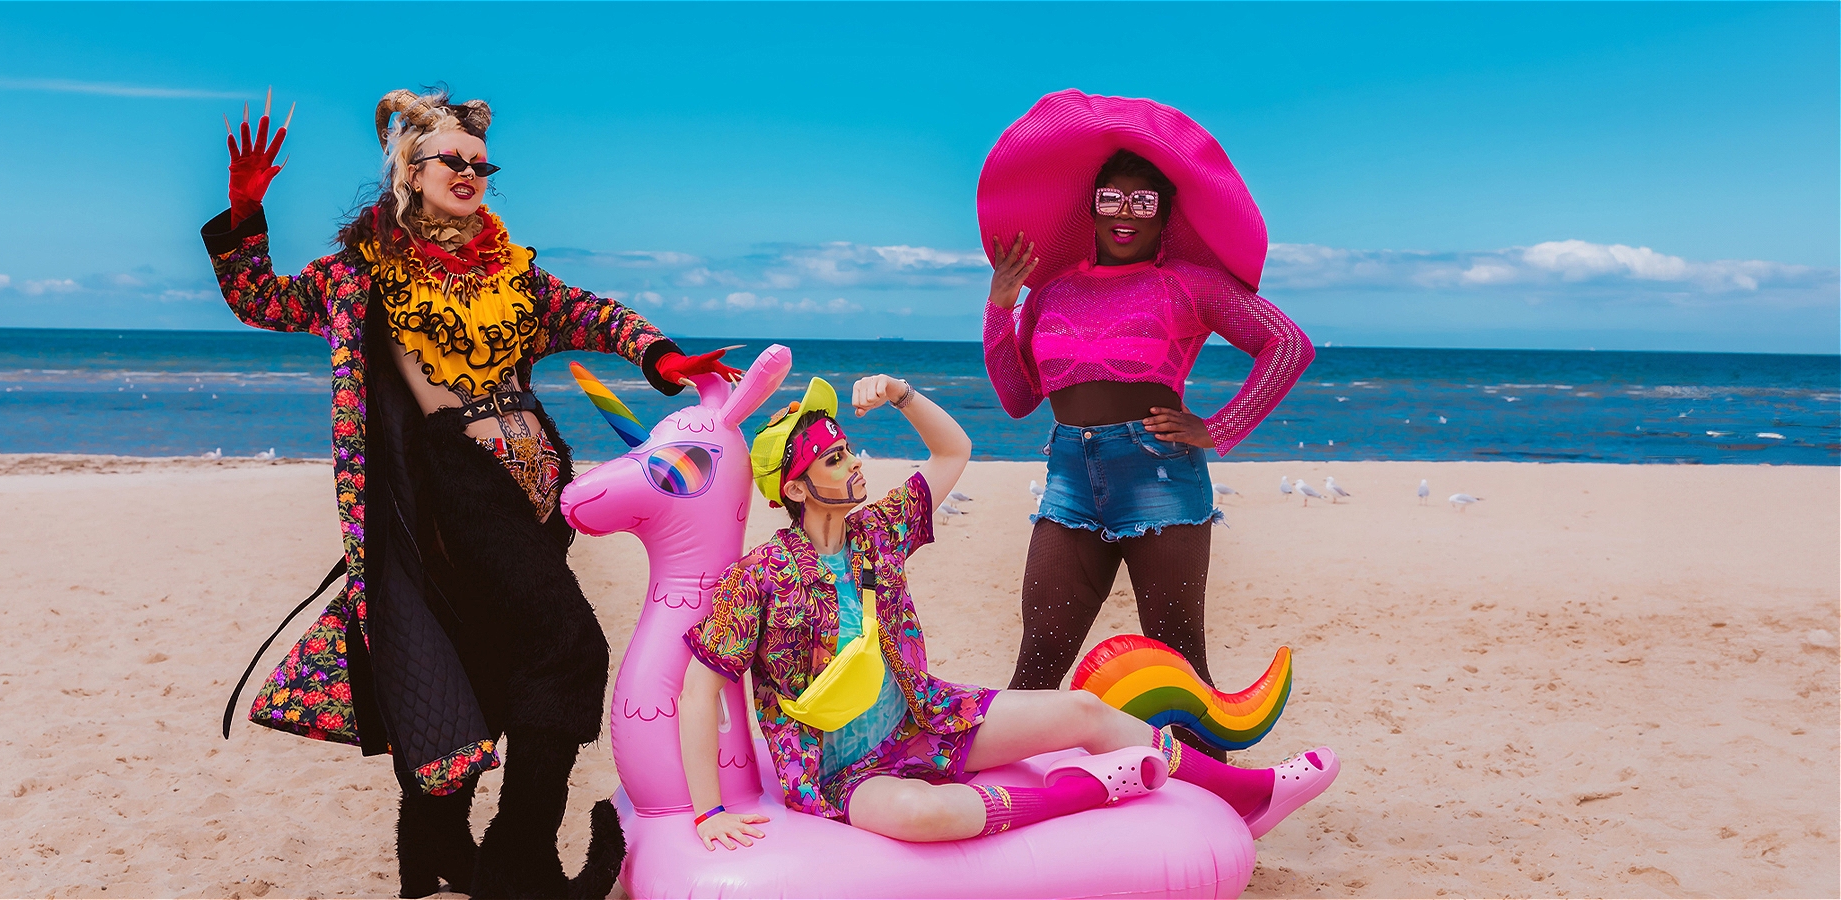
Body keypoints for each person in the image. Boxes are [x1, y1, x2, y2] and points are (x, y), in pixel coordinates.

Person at [201, 88, 740, 898]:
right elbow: (261, 301)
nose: (472, 172)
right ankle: (518, 855)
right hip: (450, 485)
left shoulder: (511, 273)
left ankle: (434, 842)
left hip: (532, 490)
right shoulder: (362, 272)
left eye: (482, 164)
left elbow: (592, 314)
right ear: (409, 171)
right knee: (571, 648)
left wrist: (665, 360)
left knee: (486, 662)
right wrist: (244, 215)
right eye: (453, 159)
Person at [675, 374, 1335, 849]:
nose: (855, 463)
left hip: (928, 722)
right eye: (835, 457)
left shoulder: (879, 530)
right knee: (923, 818)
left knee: (1080, 709)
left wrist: (902, 394)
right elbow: (699, 691)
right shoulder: (758, 576)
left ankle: (1252, 794)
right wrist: (708, 814)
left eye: (848, 449)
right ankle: (1090, 789)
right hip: (840, 769)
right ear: (795, 487)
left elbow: (953, 452)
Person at [983, 110, 1313, 763]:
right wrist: (1001, 307)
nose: (1126, 212)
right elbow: (1020, 400)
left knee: (1180, 664)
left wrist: (1216, 429)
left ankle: (1220, 809)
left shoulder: (1188, 284)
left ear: (1165, 215)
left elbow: (1287, 345)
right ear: (1093, 210)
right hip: (1069, 479)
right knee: (1037, 662)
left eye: (1144, 200)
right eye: (1112, 199)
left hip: (1159, 475)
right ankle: (1006, 816)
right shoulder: (1051, 291)